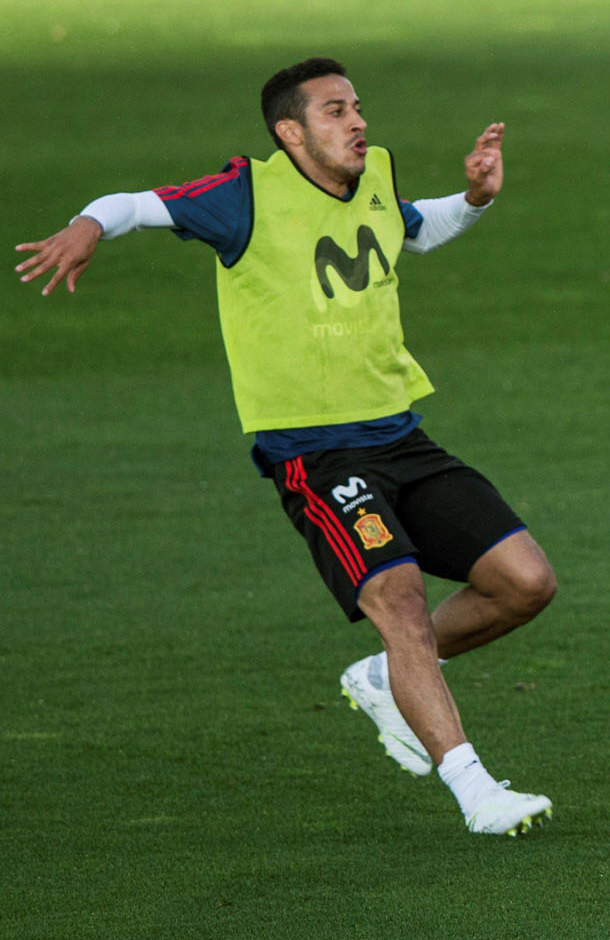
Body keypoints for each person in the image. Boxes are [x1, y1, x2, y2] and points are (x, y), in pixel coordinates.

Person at [13, 58, 559, 837]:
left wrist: (474, 198)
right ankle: (476, 790)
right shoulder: (245, 198)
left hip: (403, 436)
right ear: (290, 132)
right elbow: (137, 203)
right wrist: (89, 224)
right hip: (318, 457)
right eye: (336, 111)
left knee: (526, 582)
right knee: (399, 600)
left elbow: (413, 230)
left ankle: (384, 680)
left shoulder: (373, 179)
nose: (358, 122)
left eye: (358, 106)